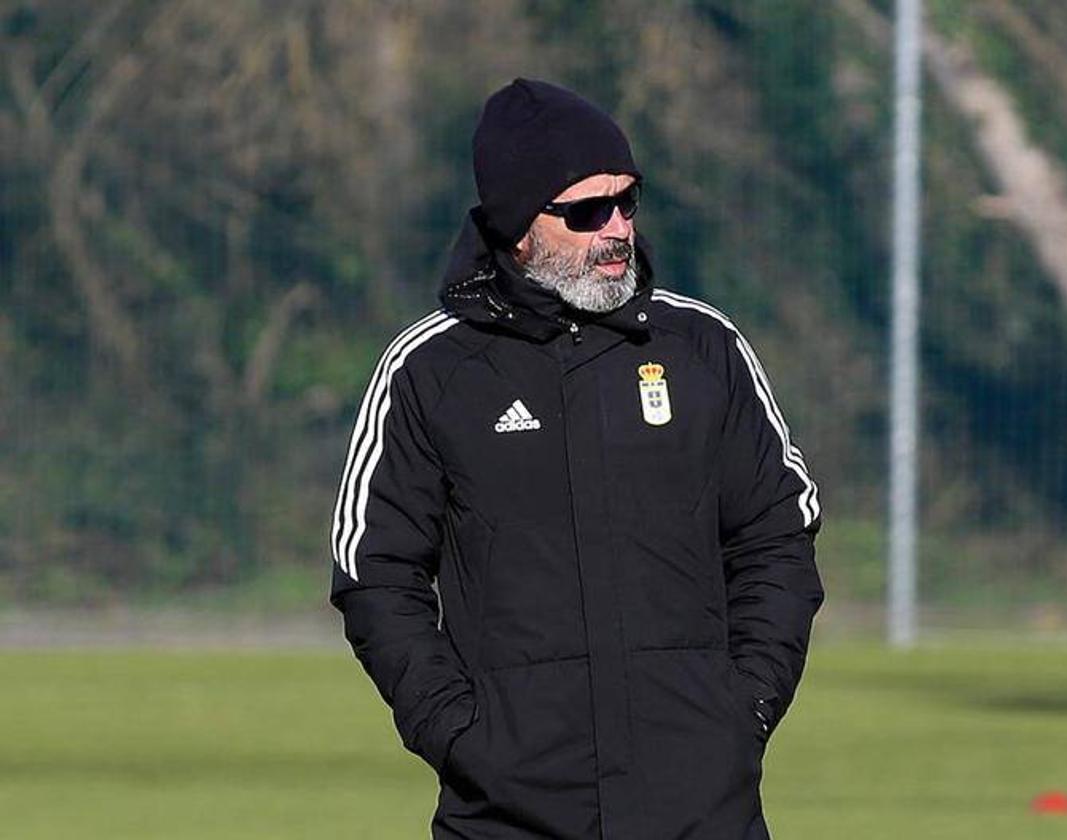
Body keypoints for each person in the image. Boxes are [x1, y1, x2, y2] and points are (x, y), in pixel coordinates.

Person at [329, 78, 823, 840]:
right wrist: (457, 732)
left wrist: (743, 707)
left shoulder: (703, 350)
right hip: (509, 814)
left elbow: (777, 540)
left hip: (702, 809)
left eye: (627, 202)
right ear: (518, 223)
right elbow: (375, 573)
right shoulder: (429, 370)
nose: (616, 229)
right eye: (587, 211)